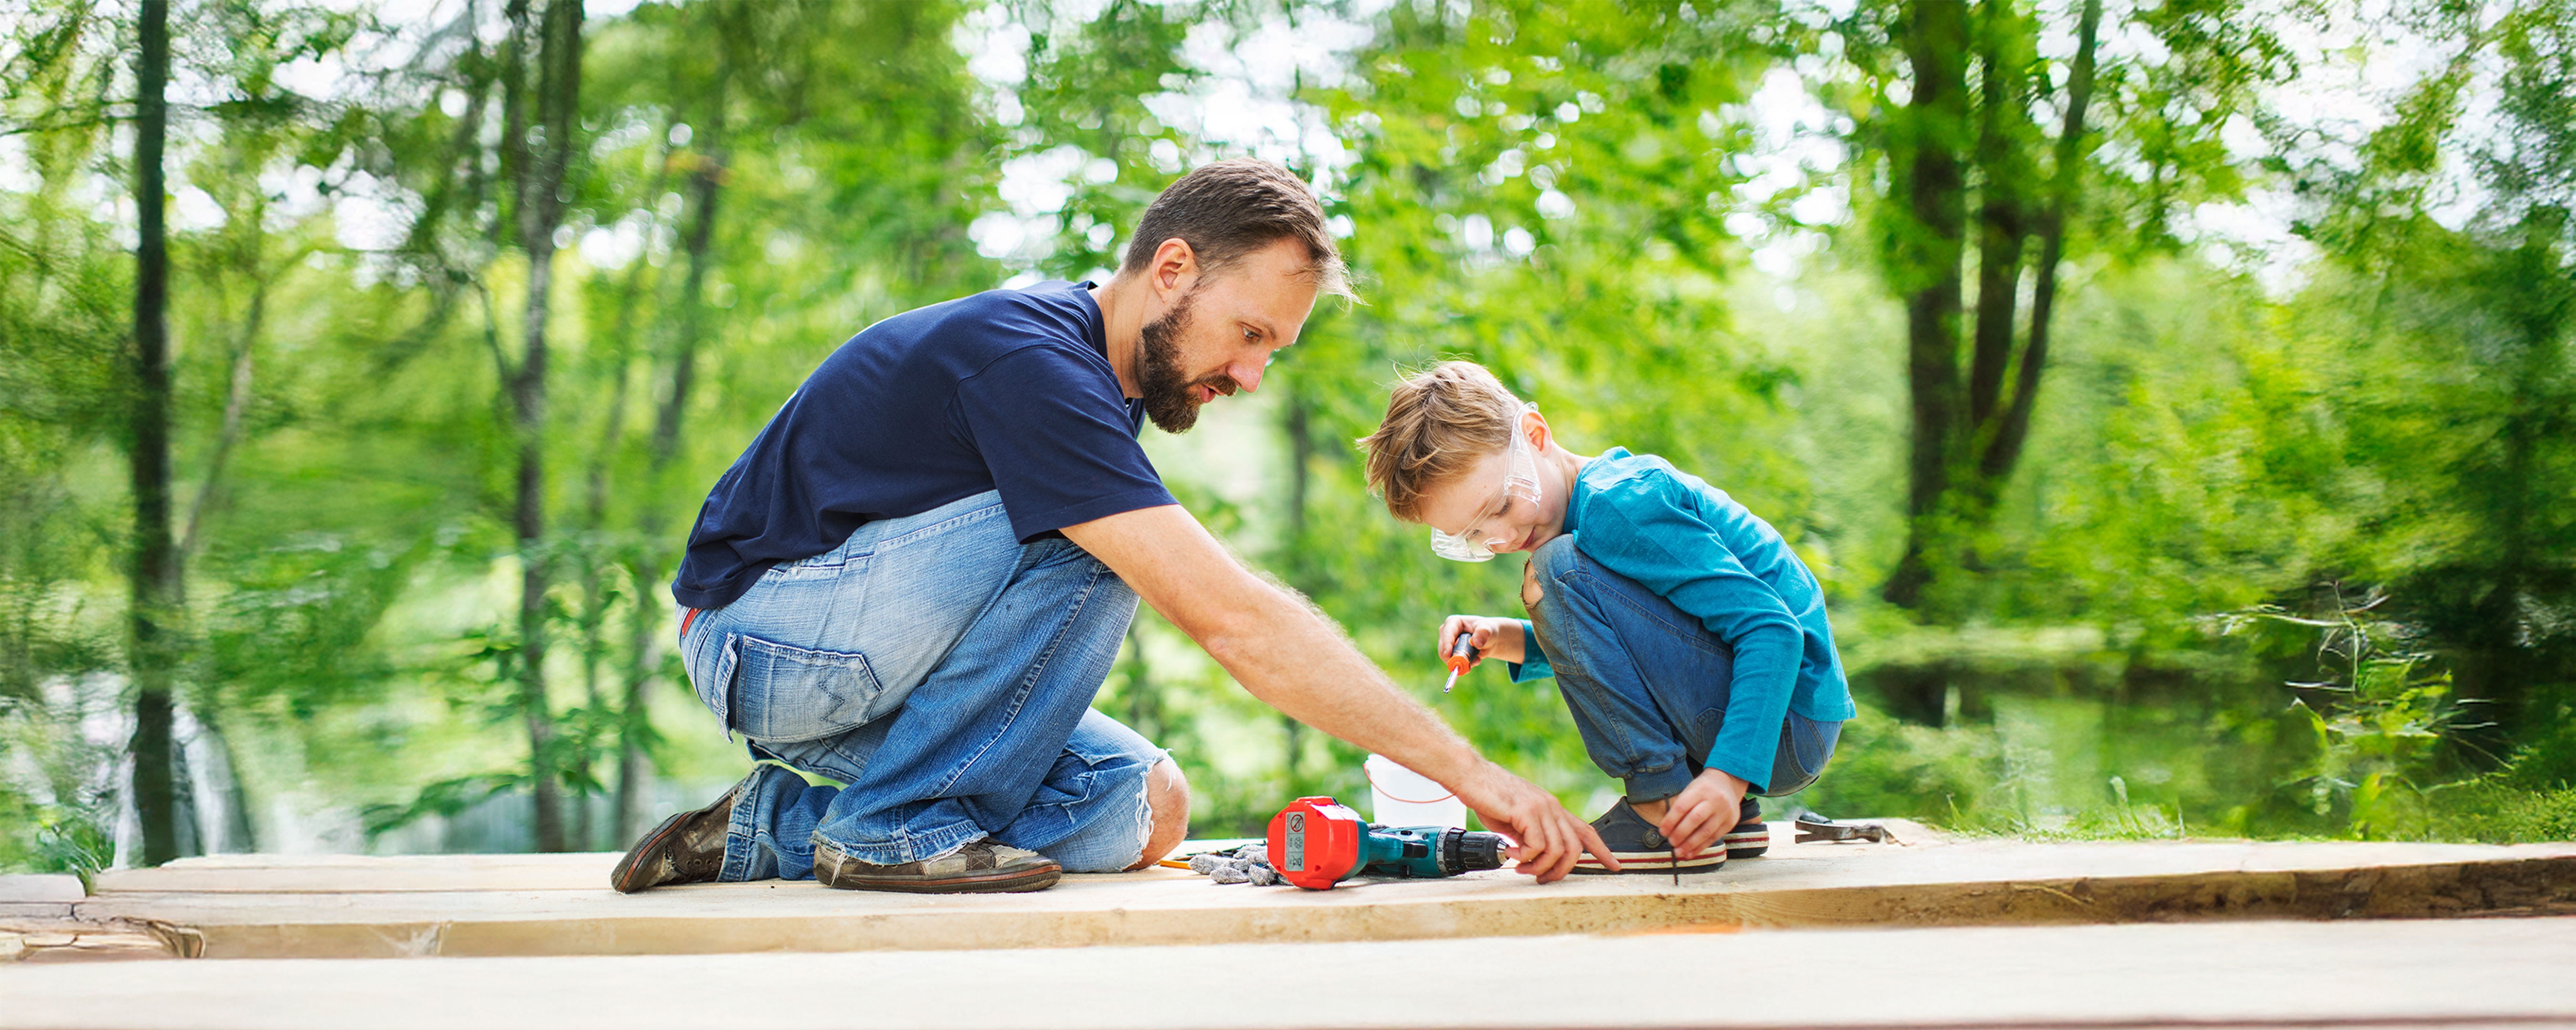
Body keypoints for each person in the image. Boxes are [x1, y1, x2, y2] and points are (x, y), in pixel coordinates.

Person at [610, 160, 1614, 895]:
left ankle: (772, 827)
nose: (1254, 375)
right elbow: (1234, 621)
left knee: (1140, 807)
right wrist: (1473, 775)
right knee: (1100, 549)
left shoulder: (1093, 385)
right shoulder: (1032, 365)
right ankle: (886, 827)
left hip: (866, 655)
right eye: (1250, 334)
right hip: (763, 637)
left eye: (1276, 349)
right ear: (1171, 269)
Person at [1356, 361, 1855, 875]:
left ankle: (1659, 810)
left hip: (1783, 725)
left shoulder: (1619, 503)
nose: (1500, 538)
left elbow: (1771, 629)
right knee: (1561, 569)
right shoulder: (1604, 502)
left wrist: (1728, 776)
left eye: (1502, 505)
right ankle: (1720, 821)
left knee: (1556, 569)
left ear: (1536, 435)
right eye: (1474, 537)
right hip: (1786, 723)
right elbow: (1655, 640)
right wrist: (1514, 640)